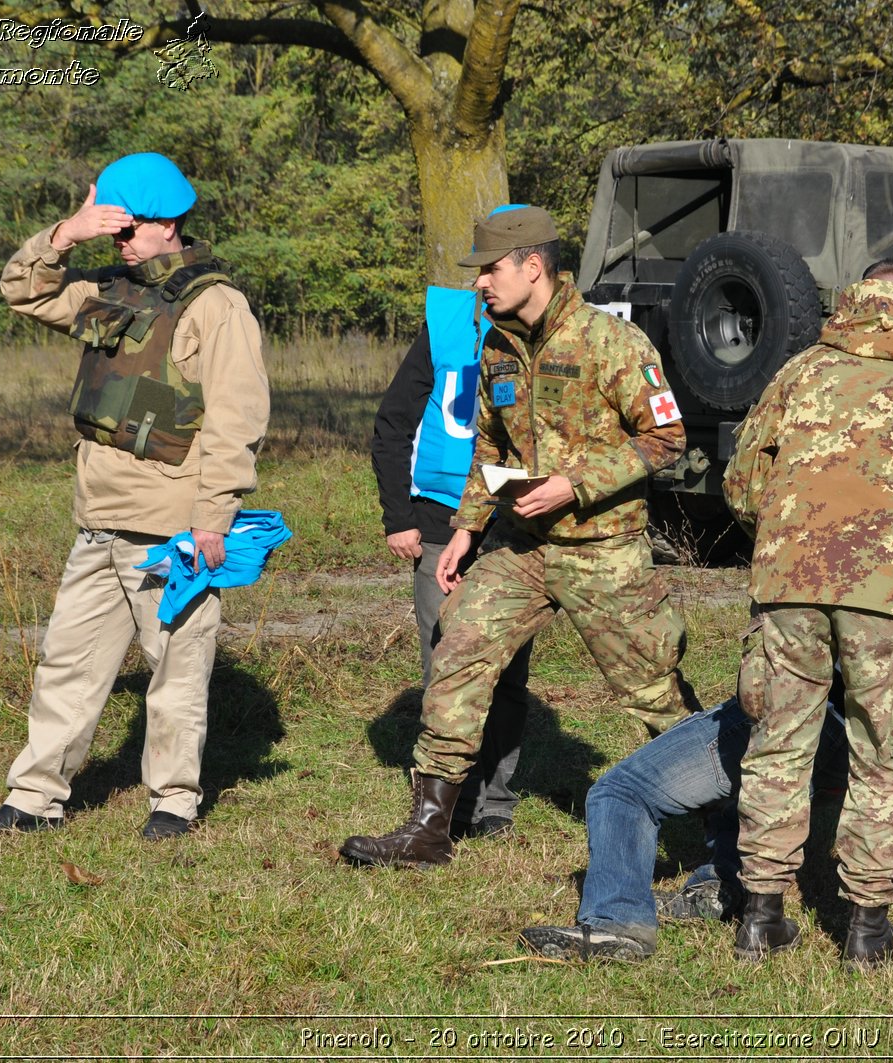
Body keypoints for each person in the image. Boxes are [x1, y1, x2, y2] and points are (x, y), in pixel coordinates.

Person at [340, 204, 692, 870]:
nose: (480, 283)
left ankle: (713, 834)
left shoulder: (610, 343)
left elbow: (667, 436)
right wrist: (468, 527)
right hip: (522, 547)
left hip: (603, 550)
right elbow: (489, 444)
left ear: (535, 267)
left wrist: (575, 483)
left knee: (655, 691)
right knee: (459, 645)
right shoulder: (499, 344)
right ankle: (428, 827)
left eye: (491, 269)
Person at [0, 152, 269, 841]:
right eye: (113, 230)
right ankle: (33, 800)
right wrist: (65, 235)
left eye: (130, 230)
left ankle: (174, 802)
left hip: (171, 529)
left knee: (176, 670)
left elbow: (236, 420)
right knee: (67, 665)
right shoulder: (105, 288)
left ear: (171, 225)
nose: (119, 242)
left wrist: (215, 517)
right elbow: (23, 290)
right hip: (98, 521)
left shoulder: (216, 305)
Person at [722, 259, 893, 968]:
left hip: (789, 583)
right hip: (890, 594)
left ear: (855, 299)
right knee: (887, 751)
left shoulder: (800, 372)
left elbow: (742, 479)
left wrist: (794, 532)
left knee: (778, 743)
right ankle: (868, 928)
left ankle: (760, 915)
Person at [370, 280, 533, 839]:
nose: (486, 281)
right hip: (438, 523)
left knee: (508, 670)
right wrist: (399, 517)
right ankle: (447, 803)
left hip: (514, 527)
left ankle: (496, 804)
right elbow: (392, 424)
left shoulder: (555, 333)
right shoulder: (444, 325)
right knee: (444, 665)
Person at [518, 685, 849, 961]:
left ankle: (619, 921)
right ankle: (728, 882)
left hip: (793, 704)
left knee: (621, 792)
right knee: (753, 780)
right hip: (861, 726)